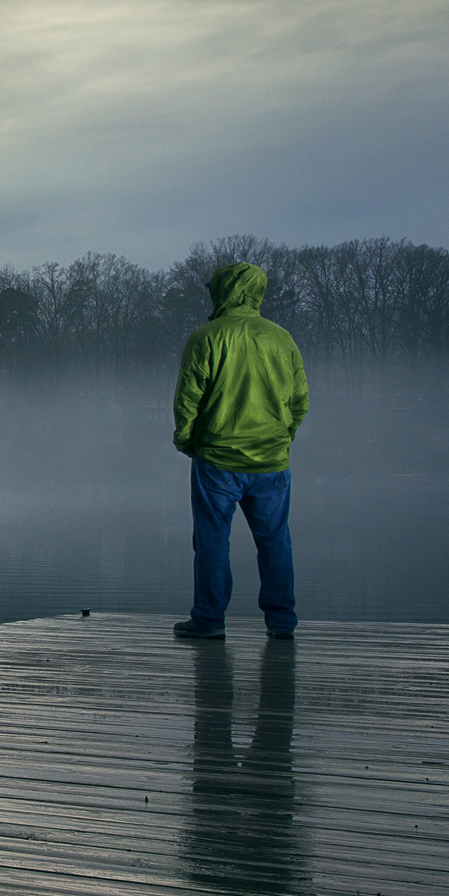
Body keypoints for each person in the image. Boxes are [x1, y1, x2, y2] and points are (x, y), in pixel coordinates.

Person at [171, 261, 307, 640]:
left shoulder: (206, 338)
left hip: (216, 459)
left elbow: (188, 400)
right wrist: (283, 437)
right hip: (272, 462)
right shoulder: (282, 339)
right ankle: (282, 623)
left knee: (212, 540)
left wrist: (187, 440)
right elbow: (299, 400)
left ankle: (209, 620)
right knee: (275, 540)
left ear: (221, 291)